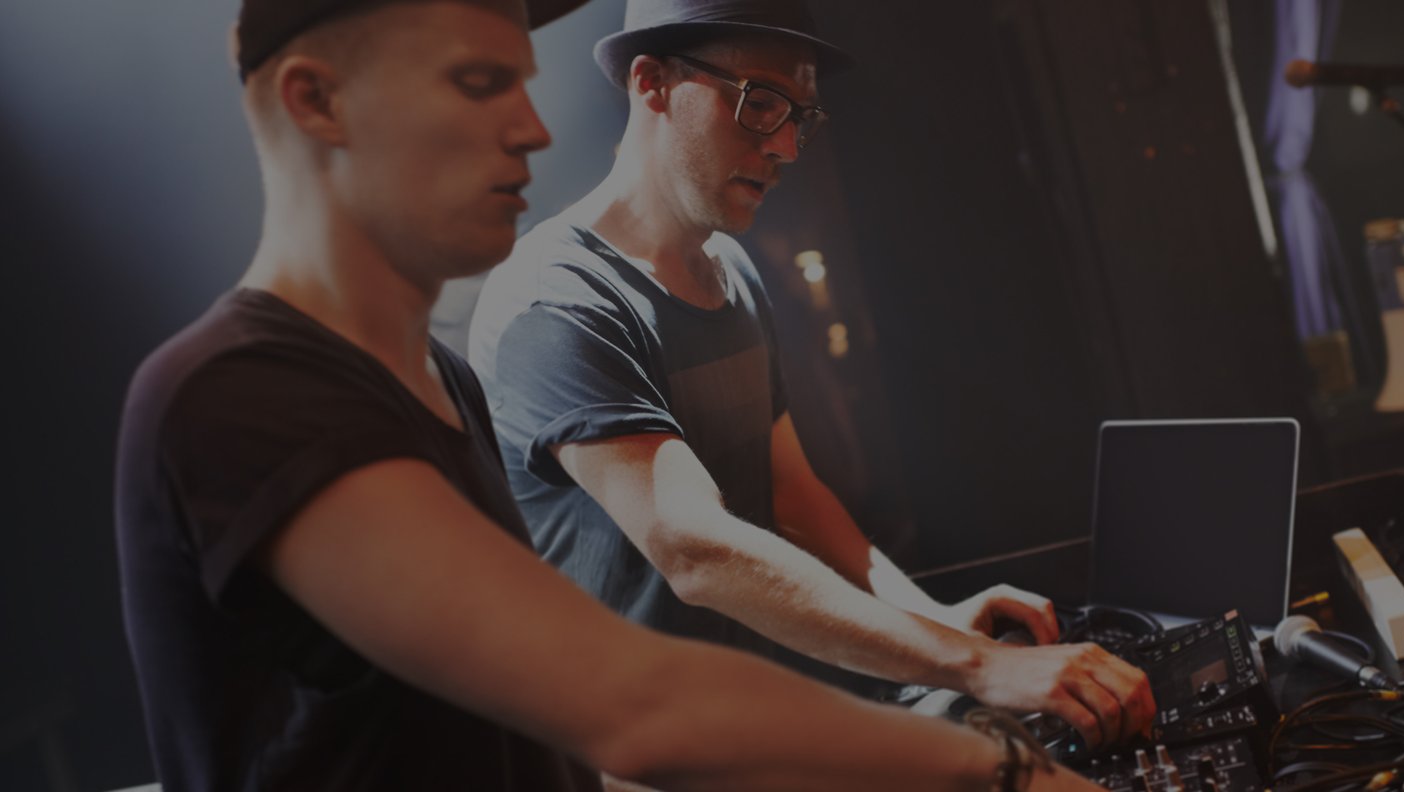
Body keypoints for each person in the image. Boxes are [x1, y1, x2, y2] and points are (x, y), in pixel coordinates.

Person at [113, 0, 1101, 789]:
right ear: (316, 100)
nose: (534, 129)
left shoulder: (436, 378)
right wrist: (989, 754)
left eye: (521, 84)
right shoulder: (241, 396)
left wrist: (941, 642)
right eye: (477, 83)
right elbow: (634, 696)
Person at [468, 0, 1155, 752]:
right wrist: (981, 665)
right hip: (638, 757)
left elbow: (792, 493)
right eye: (760, 102)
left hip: (764, 725)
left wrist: (933, 619)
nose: (788, 146)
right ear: (652, 83)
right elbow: (695, 550)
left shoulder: (731, 269)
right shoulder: (558, 300)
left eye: (801, 115)